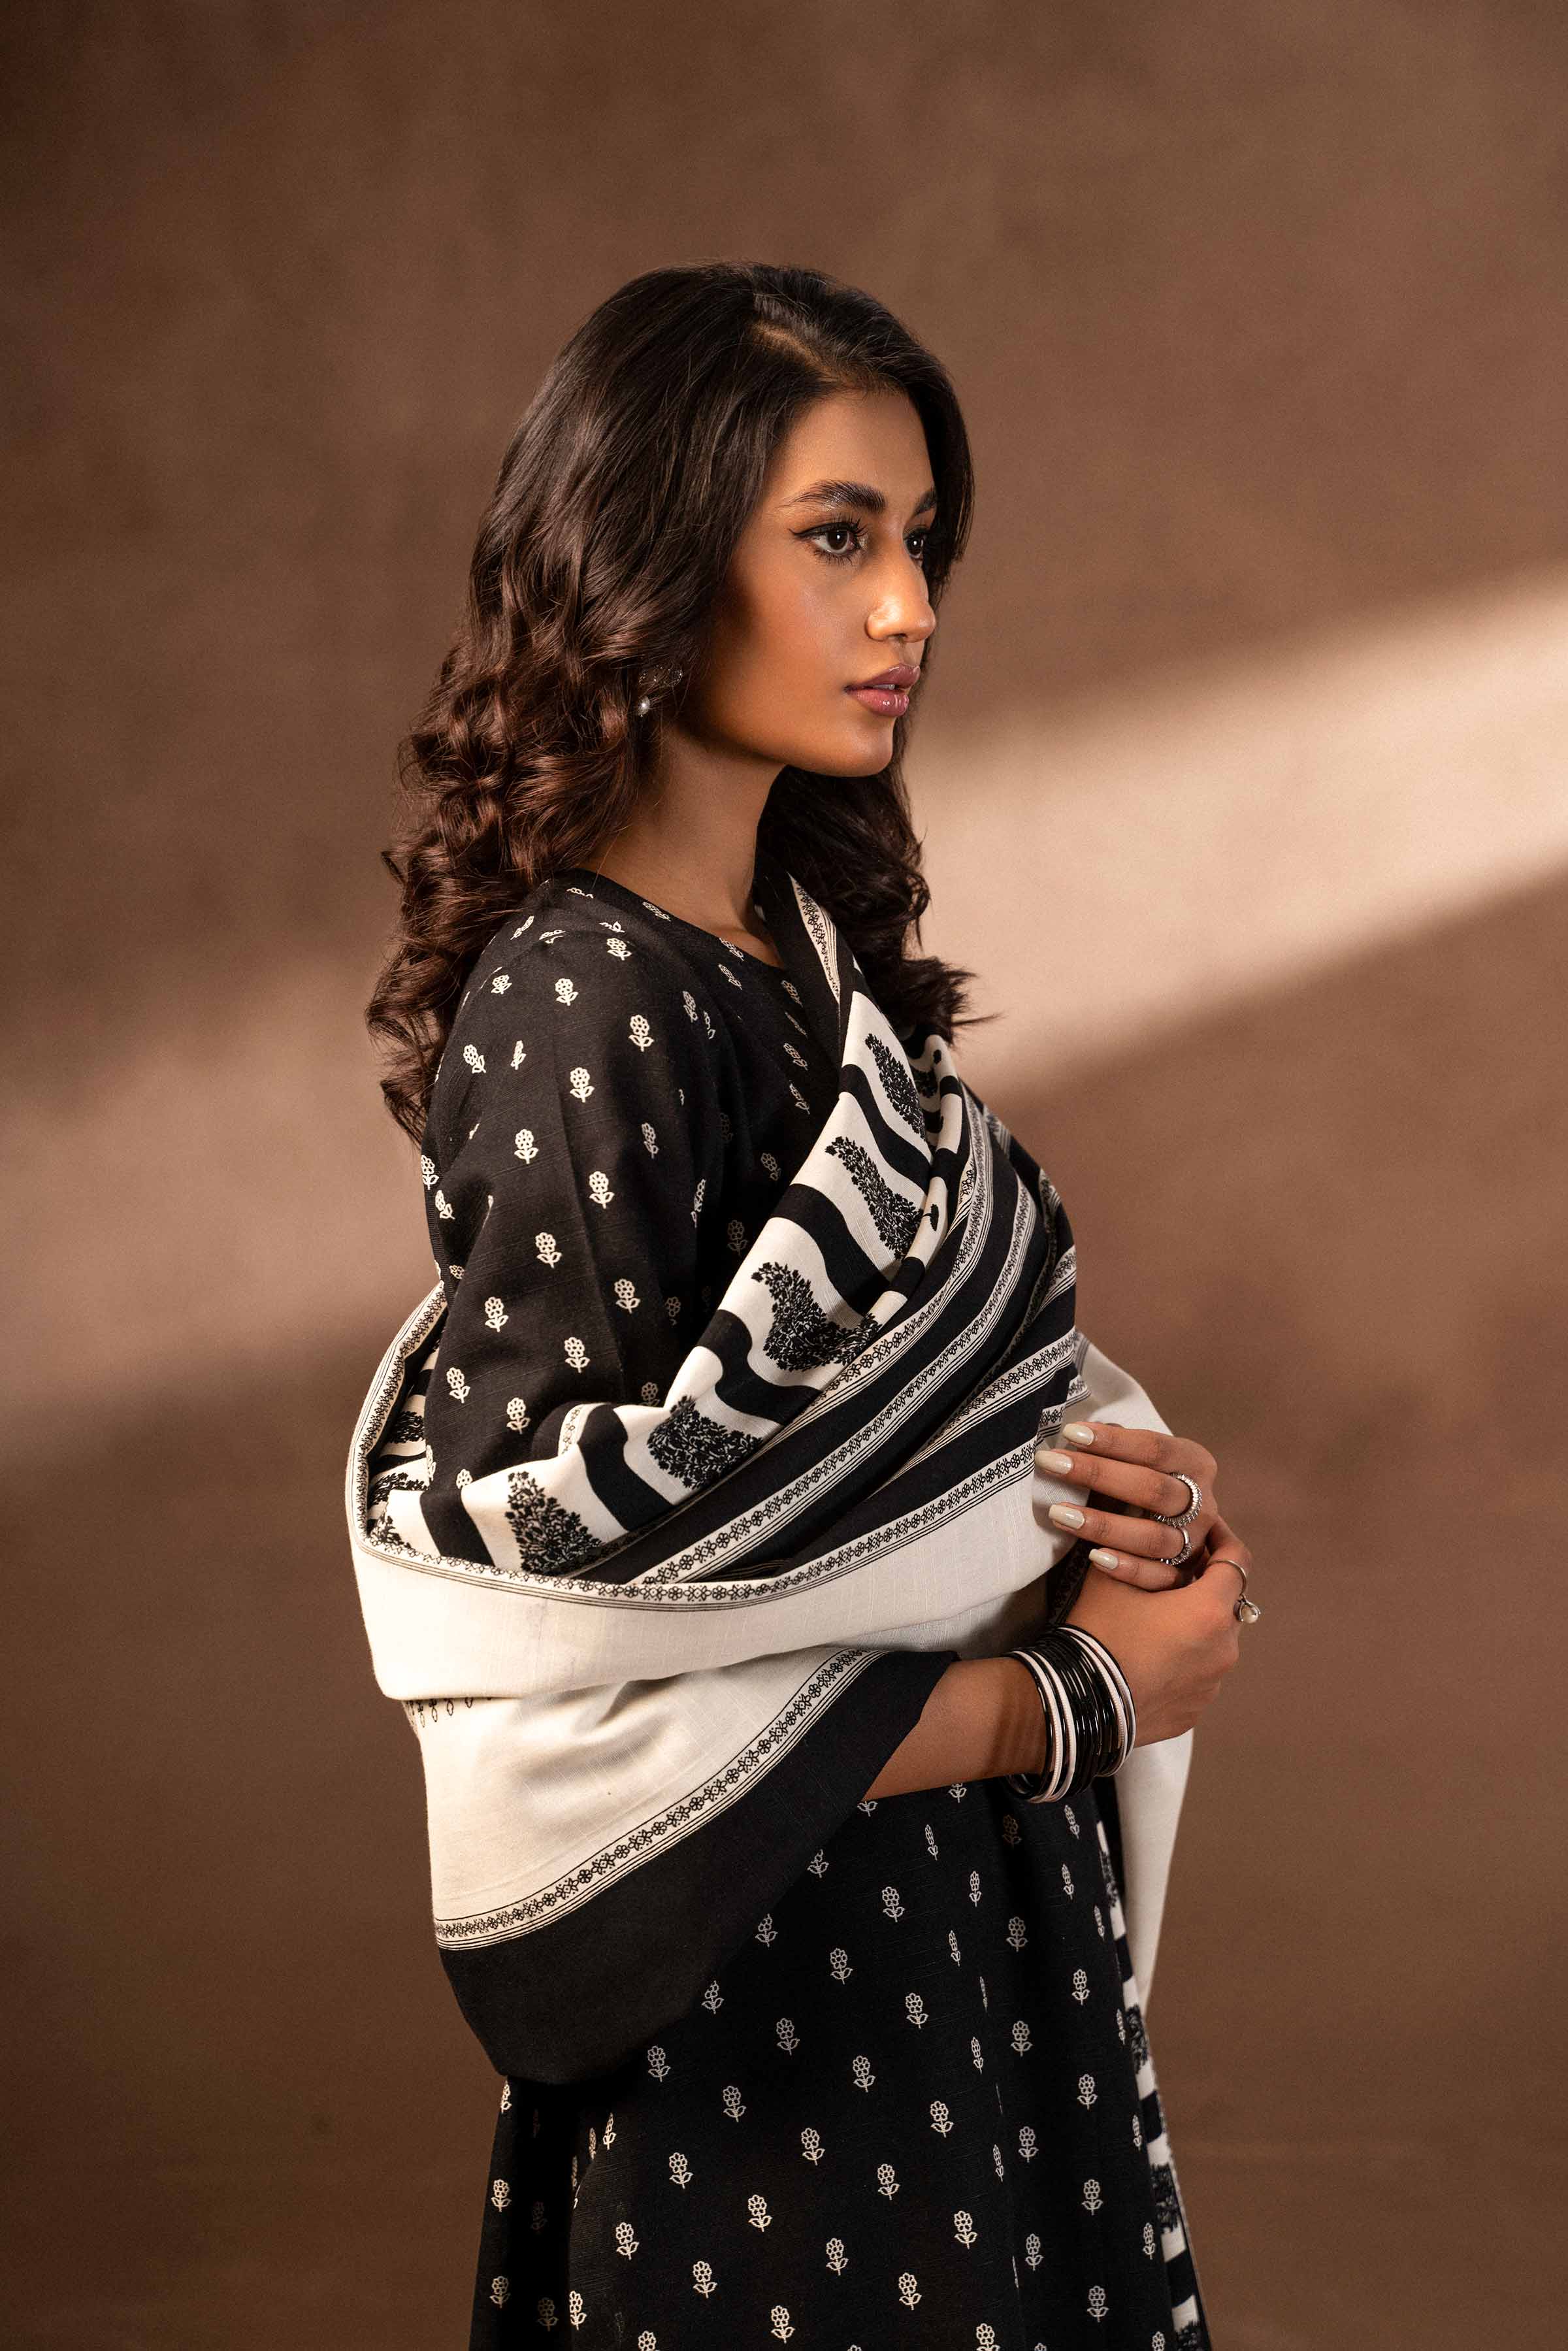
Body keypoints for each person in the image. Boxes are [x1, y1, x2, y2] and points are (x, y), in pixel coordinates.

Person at [350, 261, 1256, 2350]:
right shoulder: (588, 1006)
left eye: (922, 541)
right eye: (837, 538)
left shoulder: (801, 958)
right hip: (767, 2029)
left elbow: (886, 1473)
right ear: (653, 555)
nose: (907, 607)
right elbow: (568, 1681)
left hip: (942, 1944)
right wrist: (1068, 1701)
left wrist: (1091, 1496)